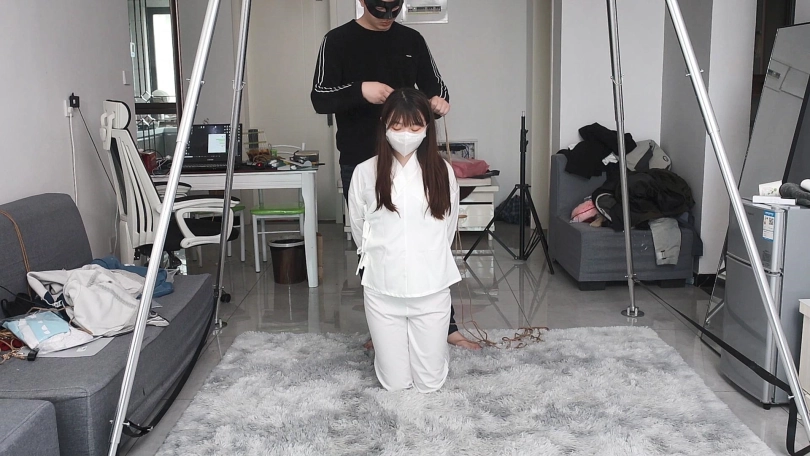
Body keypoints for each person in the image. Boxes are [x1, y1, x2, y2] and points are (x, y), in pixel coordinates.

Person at [311, 0, 480, 350]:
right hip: (362, 159)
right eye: (380, 10)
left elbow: (437, 89)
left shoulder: (411, 40)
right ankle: (383, 328)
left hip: (415, 158)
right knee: (374, 245)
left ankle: (446, 326)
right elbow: (319, 97)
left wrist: (438, 102)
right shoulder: (337, 40)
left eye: (395, 9)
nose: (388, 17)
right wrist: (360, 90)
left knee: (429, 240)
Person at [348, 88, 459, 392]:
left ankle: (429, 350)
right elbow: (359, 230)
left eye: (414, 126)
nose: (406, 134)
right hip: (383, 292)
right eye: (397, 126)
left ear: (427, 128)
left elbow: (447, 230)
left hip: (432, 290)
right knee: (395, 384)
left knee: (430, 383)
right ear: (384, 126)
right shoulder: (364, 173)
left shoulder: (443, 172)